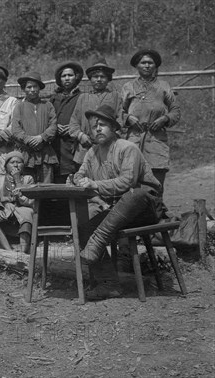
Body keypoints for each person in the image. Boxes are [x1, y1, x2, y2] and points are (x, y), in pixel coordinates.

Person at [74, 104, 164, 300]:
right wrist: (78, 179)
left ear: (114, 128)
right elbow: (80, 174)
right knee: (83, 229)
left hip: (143, 210)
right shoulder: (92, 152)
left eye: (103, 125)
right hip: (117, 213)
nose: (97, 129)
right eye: (93, 126)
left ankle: (97, 241)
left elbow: (127, 182)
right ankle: (109, 284)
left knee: (135, 193)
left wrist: (94, 184)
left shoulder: (127, 147)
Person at [122, 49, 181, 188]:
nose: (147, 65)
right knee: (132, 178)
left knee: (156, 182)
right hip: (134, 138)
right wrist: (128, 118)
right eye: (143, 63)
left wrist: (165, 118)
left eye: (150, 63)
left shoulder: (164, 86)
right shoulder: (128, 87)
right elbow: (119, 111)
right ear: (137, 66)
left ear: (155, 66)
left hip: (156, 139)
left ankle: (157, 209)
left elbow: (175, 110)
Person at [69, 58, 123, 165]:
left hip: (108, 148)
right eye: (95, 77)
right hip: (85, 148)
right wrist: (81, 136)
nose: (99, 79)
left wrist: (110, 137)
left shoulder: (115, 97)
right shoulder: (83, 98)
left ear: (108, 79)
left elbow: (120, 122)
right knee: (84, 178)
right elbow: (73, 123)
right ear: (90, 79)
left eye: (102, 77)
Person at [11, 72, 58, 183]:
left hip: (45, 152)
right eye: (29, 87)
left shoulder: (47, 105)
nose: (32, 90)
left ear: (39, 88)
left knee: (46, 186)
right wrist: (29, 140)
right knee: (27, 185)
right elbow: (15, 129)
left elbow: (53, 125)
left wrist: (41, 138)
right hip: (26, 153)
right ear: (24, 89)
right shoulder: (19, 106)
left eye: (35, 86)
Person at [0, 151, 35, 253]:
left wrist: (17, 180)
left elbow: (31, 201)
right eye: (12, 162)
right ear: (6, 166)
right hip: (4, 207)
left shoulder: (28, 179)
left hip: (22, 207)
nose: (15, 165)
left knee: (27, 215)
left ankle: (23, 251)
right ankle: (8, 250)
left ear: (23, 165)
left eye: (19, 162)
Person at [50, 62, 84, 183]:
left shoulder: (82, 97)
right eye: (64, 76)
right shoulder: (54, 98)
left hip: (73, 143)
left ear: (76, 77)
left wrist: (72, 128)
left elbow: (84, 119)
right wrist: (54, 126)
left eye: (70, 75)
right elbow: (49, 117)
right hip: (56, 143)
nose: (67, 78)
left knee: (73, 174)